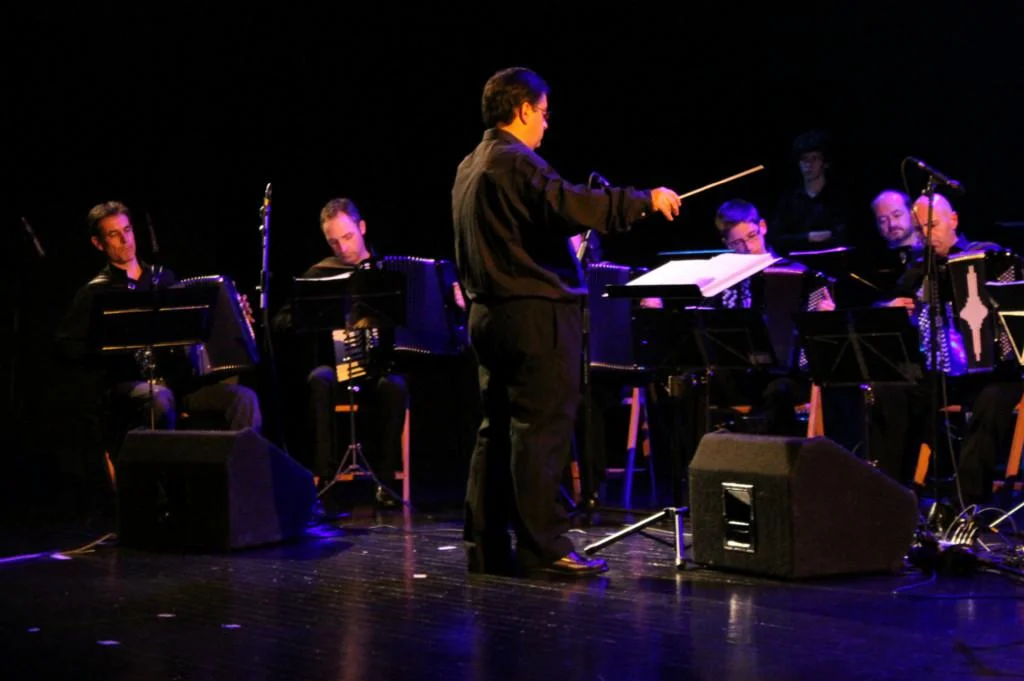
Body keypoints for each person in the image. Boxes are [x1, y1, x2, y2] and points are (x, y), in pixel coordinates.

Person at [452, 66, 682, 577]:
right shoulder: (516, 161)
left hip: (488, 316)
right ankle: (545, 548)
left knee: (497, 431)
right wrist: (644, 200)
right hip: (533, 317)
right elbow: (571, 203)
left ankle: (485, 544)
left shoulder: (470, 165)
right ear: (524, 110)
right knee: (541, 431)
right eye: (543, 113)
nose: (546, 124)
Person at [55, 201, 263, 516]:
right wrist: (105, 343)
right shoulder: (95, 294)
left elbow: (200, 332)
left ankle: (242, 496)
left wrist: (235, 313)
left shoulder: (164, 279)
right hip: (128, 386)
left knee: (243, 399)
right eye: (113, 234)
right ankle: (165, 502)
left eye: (127, 230)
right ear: (98, 243)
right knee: (160, 398)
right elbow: (67, 347)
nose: (125, 240)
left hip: (181, 383)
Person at [876, 193, 1021, 499]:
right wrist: (894, 309)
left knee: (992, 399)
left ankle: (968, 503)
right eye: (921, 229)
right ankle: (890, 493)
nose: (927, 235)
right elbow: (890, 309)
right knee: (890, 388)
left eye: (933, 225)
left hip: (994, 371)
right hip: (941, 373)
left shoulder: (988, 255)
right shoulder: (919, 269)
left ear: (953, 220)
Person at [296, 198, 410, 509]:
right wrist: (313, 317)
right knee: (318, 378)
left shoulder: (389, 270)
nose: (343, 248)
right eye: (334, 242)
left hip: (379, 369)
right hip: (337, 367)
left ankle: (384, 483)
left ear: (362, 228)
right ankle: (325, 478)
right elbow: (286, 319)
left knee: (396, 386)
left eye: (347, 237)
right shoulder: (321, 273)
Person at [771, 129, 849, 250]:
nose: (809, 164)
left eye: (815, 158)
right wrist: (809, 237)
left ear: (825, 163)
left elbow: (846, 234)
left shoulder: (839, 197)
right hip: (798, 260)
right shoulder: (789, 201)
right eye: (804, 159)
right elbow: (777, 238)